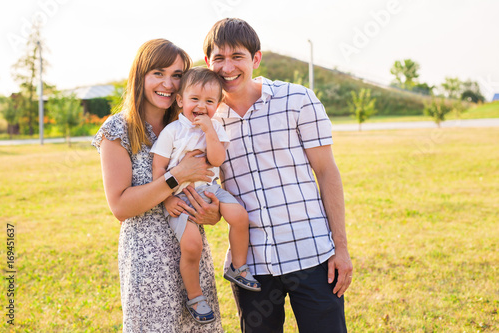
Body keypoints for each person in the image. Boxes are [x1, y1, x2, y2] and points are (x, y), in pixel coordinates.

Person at [203, 18, 353, 332]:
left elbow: (327, 173)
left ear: (256, 59)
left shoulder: (298, 100)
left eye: (237, 57)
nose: (227, 67)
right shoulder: (207, 120)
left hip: (312, 256)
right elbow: (205, 184)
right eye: (219, 58)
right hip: (251, 266)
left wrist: (341, 248)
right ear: (207, 62)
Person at [92, 39, 223, 332]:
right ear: (141, 75)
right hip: (148, 260)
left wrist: (213, 212)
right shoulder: (118, 130)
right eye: (158, 73)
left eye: (177, 75)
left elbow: (208, 178)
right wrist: (176, 175)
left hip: (191, 252)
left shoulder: (190, 127)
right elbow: (121, 206)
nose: (168, 83)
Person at [151, 67, 261, 324]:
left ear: (218, 104)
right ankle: (195, 297)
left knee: (239, 216)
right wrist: (166, 199)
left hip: (208, 188)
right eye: (195, 100)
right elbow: (158, 168)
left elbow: (216, 159)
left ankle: (238, 266)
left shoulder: (215, 129)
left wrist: (209, 131)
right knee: (192, 247)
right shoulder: (172, 132)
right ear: (180, 101)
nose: (201, 106)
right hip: (178, 194)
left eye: (209, 101)